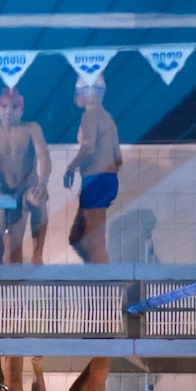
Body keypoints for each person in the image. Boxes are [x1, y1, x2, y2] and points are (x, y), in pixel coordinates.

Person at [0, 87, 51, 264]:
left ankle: (38, 254)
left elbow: (44, 157)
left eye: (13, 107)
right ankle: (1, 286)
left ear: (22, 109)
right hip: (0, 191)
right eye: (4, 107)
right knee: (4, 250)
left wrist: (42, 184)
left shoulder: (31, 129)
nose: (8, 112)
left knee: (38, 200)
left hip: (24, 190)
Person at [65, 75, 121, 264]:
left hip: (96, 180)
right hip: (106, 180)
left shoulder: (89, 114)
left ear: (86, 93)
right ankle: (93, 275)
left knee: (95, 244)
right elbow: (118, 158)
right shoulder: (108, 117)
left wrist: (71, 168)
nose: (75, 98)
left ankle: (104, 290)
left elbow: (88, 147)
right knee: (77, 237)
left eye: (77, 92)